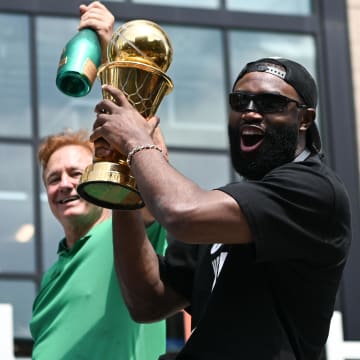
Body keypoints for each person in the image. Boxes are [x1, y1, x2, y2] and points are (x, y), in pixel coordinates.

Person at [90, 57, 351, 359]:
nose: (251, 112)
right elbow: (147, 300)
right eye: (240, 101)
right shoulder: (229, 209)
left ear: (305, 119)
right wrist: (122, 175)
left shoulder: (315, 190)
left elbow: (181, 213)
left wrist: (136, 141)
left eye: (270, 103)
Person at [29, 131, 168, 360]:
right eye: (54, 179)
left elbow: (154, 185)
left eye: (75, 173)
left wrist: (139, 131)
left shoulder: (126, 234)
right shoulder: (52, 273)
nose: (64, 184)